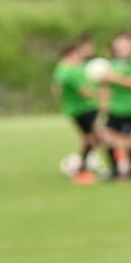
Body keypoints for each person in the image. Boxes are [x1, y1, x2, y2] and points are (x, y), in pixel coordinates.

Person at [51, 34, 102, 184]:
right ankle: (83, 168)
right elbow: (84, 92)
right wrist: (99, 93)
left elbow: (55, 91)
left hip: (72, 109)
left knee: (88, 136)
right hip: (84, 108)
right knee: (93, 138)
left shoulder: (60, 69)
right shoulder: (71, 71)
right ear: (70, 54)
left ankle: (85, 165)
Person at [98, 29, 131, 179]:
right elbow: (105, 86)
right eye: (119, 43)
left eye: (125, 43)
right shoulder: (112, 62)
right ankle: (115, 169)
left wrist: (113, 78)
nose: (121, 46)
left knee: (127, 138)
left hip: (128, 107)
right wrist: (103, 101)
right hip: (114, 106)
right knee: (107, 137)